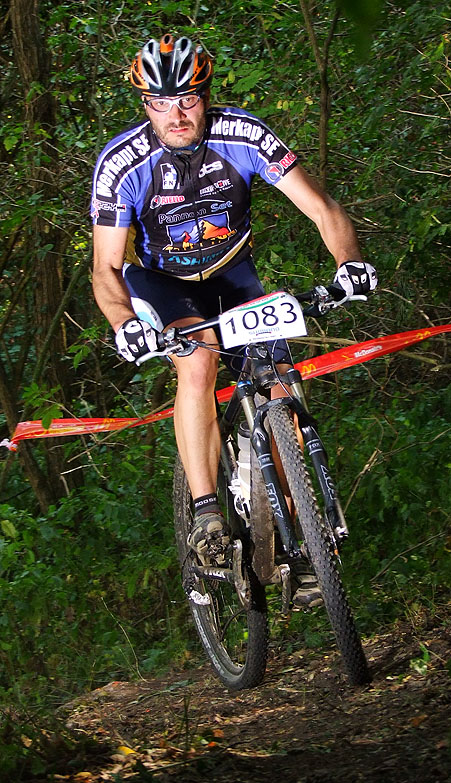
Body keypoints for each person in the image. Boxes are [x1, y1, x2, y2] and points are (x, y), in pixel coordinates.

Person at [90, 33, 377, 607]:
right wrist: (124, 323)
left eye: (187, 100)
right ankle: (206, 516)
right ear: (145, 104)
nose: (176, 115)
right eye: (160, 103)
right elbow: (106, 268)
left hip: (232, 273)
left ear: (206, 95)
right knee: (197, 361)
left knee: (279, 381)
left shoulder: (243, 134)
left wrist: (349, 263)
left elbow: (321, 207)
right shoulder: (123, 164)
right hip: (163, 283)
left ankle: (299, 539)